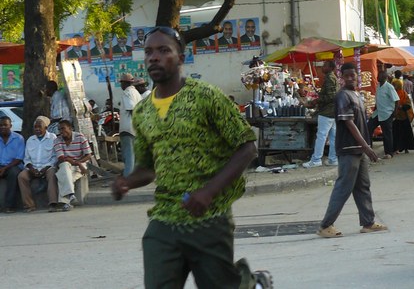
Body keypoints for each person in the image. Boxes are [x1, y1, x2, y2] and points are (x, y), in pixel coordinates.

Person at [111, 26, 271, 288]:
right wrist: (126, 181)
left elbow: (247, 148)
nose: (154, 57)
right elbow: (147, 169)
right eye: (149, 51)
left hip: (209, 217)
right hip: (164, 218)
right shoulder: (142, 112)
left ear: (181, 58)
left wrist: (208, 192)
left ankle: (249, 281)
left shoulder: (205, 96)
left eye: (164, 50)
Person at [317, 62, 387, 238]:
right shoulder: (342, 96)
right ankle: (326, 225)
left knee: (363, 186)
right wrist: (366, 146)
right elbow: (348, 123)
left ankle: (368, 222)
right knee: (343, 187)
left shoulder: (356, 94)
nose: (350, 78)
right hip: (349, 148)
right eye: (346, 75)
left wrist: (365, 147)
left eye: (352, 75)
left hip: (360, 149)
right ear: (341, 77)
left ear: (357, 76)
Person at [303, 60, 339, 168]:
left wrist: (316, 101)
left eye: (325, 65)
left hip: (327, 112)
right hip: (333, 111)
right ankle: (333, 159)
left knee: (321, 136)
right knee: (333, 137)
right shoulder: (333, 78)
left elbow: (330, 96)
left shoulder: (329, 78)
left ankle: (316, 159)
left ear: (330, 67)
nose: (323, 67)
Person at [18, 116, 58, 213]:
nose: (37, 129)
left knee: (52, 175)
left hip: (48, 166)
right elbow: (27, 158)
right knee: (21, 176)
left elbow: (55, 157)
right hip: (33, 167)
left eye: (39, 127)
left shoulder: (52, 138)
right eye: (35, 127)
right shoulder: (30, 140)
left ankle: (53, 203)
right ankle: (29, 205)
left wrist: (45, 168)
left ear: (46, 128)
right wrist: (32, 169)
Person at [53, 119, 92, 211]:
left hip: (79, 166)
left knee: (64, 177)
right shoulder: (57, 140)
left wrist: (79, 163)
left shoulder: (80, 137)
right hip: (67, 165)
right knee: (65, 167)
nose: (61, 131)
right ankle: (71, 196)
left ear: (70, 128)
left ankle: (67, 202)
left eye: (63, 128)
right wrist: (77, 162)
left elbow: (88, 155)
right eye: (59, 129)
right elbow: (61, 158)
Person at [370, 70, 398, 159]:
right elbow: (378, 99)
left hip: (387, 113)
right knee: (368, 127)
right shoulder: (378, 86)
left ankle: (389, 153)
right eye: (378, 76)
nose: (378, 77)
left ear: (385, 77)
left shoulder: (389, 87)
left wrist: (394, 113)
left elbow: (396, 100)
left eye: (380, 76)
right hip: (378, 112)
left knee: (387, 133)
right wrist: (374, 109)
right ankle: (369, 149)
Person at [119, 72, 142, 177]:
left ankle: (128, 177)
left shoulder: (127, 93)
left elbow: (132, 108)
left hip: (128, 128)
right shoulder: (136, 93)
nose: (121, 85)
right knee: (133, 154)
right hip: (135, 128)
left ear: (125, 83)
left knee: (128, 154)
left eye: (121, 83)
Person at [0, 116, 24, 212]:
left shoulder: (19, 138)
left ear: (10, 126)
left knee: (13, 174)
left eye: (5, 125)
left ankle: (9, 206)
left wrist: (4, 169)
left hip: (13, 165)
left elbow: (19, 158)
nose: (2, 127)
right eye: (0, 125)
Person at [391, 71, 414, 154]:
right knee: (400, 134)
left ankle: (404, 148)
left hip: (401, 116)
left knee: (402, 134)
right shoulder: (395, 93)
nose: (393, 86)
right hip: (399, 116)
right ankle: (400, 148)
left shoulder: (402, 93)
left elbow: (408, 104)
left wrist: (400, 107)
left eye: (394, 85)